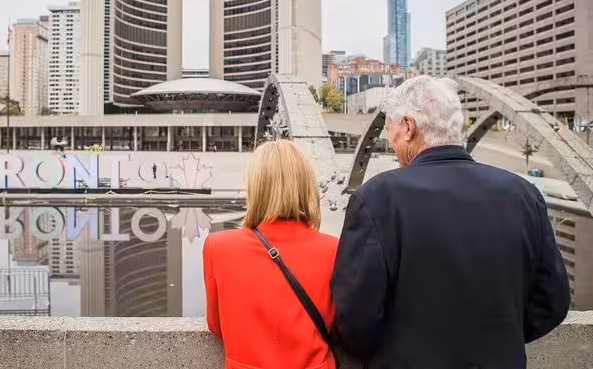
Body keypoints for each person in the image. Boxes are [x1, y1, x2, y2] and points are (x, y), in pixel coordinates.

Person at [331, 76, 570, 369]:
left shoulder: (377, 199)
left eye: (390, 134)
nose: (391, 145)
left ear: (408, 127)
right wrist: (498, 341)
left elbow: (354, 320)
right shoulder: (523, 195)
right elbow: (553, 301)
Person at [204, 139, 338, 369]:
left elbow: (217, 326)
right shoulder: (334, 249)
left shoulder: (218, 247)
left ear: (255, 188)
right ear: (307, 186)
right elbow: (335, 325)